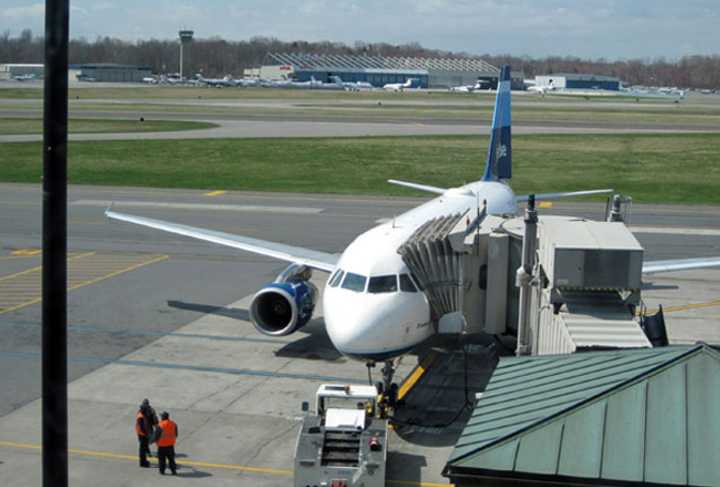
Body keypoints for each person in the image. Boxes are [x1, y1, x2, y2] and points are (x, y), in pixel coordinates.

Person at [156, 411, 179, 475]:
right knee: (171, 459)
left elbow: (156, 436)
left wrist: (151, 441)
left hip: (161, 446)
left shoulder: (160, 425)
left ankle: (162, 471)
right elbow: (176, 434)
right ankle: (173, 471)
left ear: (163, 417)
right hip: (170, 445)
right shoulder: (173, 424)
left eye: (161, 416)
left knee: (162, 460)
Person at [135, 402, 152, 468]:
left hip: (142, 434)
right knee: (142, 449)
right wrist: (146, 434)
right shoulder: (141, 417)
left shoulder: (141, 413)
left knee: (143, 448)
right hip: (142, 435)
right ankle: (143, 462)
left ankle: (143, 461)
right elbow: (142, 427)